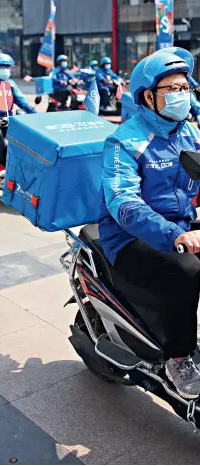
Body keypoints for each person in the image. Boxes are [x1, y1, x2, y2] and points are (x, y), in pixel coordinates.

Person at [98, 47, 200, 399]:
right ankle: (179, 357)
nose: (181, 95)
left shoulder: (190, 133)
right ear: (147, 96)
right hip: (128, 236)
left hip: (183, 225)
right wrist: (176, 235)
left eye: (185, 87)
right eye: (172, 89)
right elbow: (123, 203)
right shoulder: (124, 141)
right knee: (186, 269)